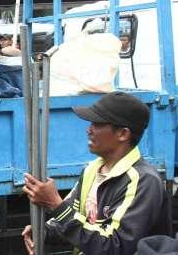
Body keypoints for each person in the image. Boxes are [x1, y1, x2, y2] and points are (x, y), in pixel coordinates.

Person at [22, 92, 171, 255]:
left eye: (97, 124)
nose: (89, 130)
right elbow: (74, 220)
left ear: (123, 134)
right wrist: (42, 233)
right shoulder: (91, 170)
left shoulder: (144, 181)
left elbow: (114, 246)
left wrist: (55, 205)